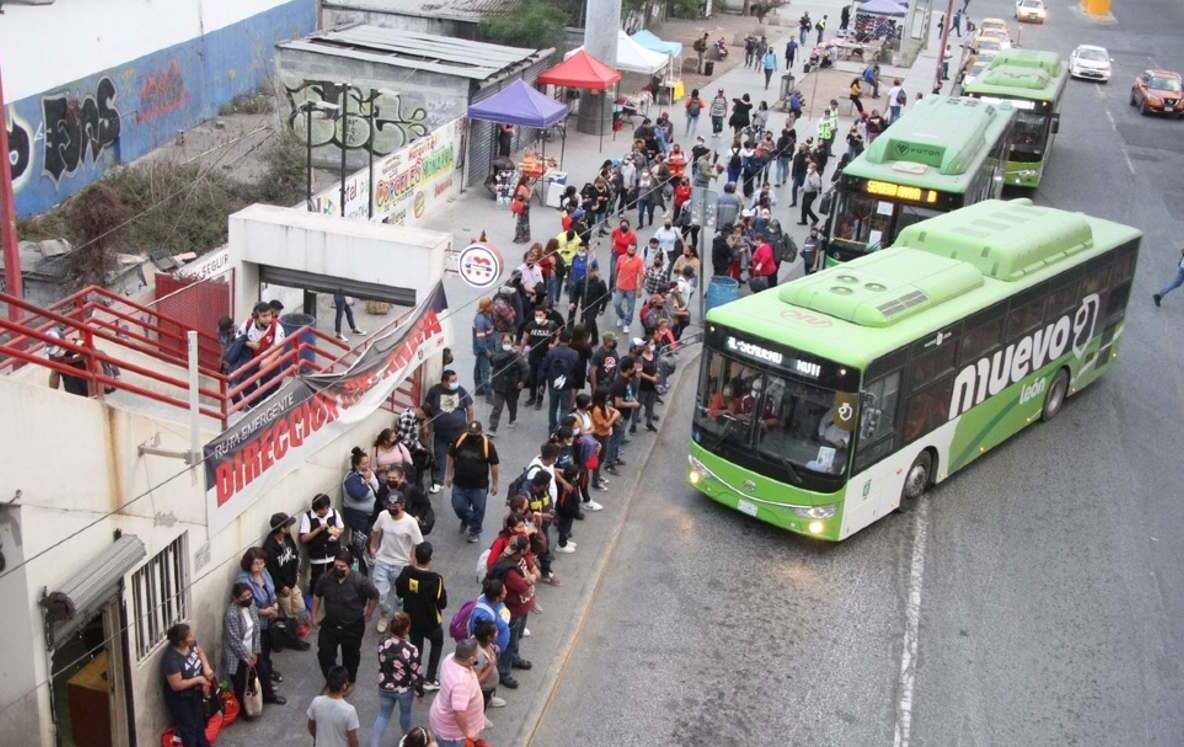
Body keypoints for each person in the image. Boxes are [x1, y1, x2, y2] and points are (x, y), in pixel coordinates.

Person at [312, 550, 380, 690]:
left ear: (350, 566)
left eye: (342, 566)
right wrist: (314, 615)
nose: (338, 569)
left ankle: (349, 681)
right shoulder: (325, 578)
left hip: (352, 626)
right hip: (330, 624)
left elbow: (374, 596)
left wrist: (369, 614)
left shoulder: (360, 581)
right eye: (336, 565)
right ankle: (333, 680)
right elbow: (317, 595)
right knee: (325, 653)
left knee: (351, 656)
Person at [394, 541, 447, 692]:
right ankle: (430, 678)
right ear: (430, 559)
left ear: (415, 557)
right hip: (431, 622)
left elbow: (399, 592)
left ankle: (416, 678)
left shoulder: (406, 572)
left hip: (412, 621)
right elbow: (442, 603)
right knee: (437, 644)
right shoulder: (436, 580)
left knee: (416, 648)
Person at [369, 489, 424, 633]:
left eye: (396, 505)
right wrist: (373, 547)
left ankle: (398, 619)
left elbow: (417, 542)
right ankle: (385, 615)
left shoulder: (410, 522)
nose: (392, 508)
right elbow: (375, 530)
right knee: (380, 594)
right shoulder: (383, 516)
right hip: (382, 560)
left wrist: (412, 560)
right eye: (390, 505)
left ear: (403, 505)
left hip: (402, 564)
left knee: (400, 597)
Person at [224, 582, 283, 708]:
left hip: (252, 647)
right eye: (243, 597)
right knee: (240, 683)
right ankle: (243, 708)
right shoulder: (232, 614)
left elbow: (256, 629)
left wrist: (255, 652)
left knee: (263, 672)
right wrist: (246, 657)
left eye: (249, 595)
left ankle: (269, 696)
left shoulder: (251, 605)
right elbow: (234, 640)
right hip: (237, 654)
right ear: (235, 598)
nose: (247, 599)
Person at [369, 612, 422, 747]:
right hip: (404, 689)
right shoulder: (411, 649)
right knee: (405, 713)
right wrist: (419, 692)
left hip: (385, 685)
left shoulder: (382, 643)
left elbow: (382, 661)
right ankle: (406, 739)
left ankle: (373, 744)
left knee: (383, 715)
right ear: (407, 629)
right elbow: (416, 673)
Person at [489, 535, 535, 682]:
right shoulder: (509, 570)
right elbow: (524, 588)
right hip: (513, 611)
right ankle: (504, 672)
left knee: (517, 638)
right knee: (510, 641)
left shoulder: (516, 558)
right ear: (520, 551)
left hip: (521, 608)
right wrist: (531, 579)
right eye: (526, 550)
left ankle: (514, 658)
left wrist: (531, 578)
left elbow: (531, 572)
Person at [235, 547, 284, 687]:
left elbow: (271, 590)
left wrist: (274, 603)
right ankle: (264, 683)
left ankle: (269, 671)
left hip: (270, 618)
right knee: (259, 654)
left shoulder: (264, 572)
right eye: (256, 563)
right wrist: (264, 611)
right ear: (248, 563)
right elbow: (245, 605)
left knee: (267, 649)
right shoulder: (243, 580)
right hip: (256, 622)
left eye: (262, 563)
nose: (260, 566)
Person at [161, 623, 215, 747]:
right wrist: (198, 680)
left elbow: (200, 652)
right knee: (189, 728)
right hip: (181, 699)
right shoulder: (171, 660)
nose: (193, 637)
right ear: (181, 642)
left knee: (199, 722)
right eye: (189, 636)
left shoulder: (191, 644)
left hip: (195, 693)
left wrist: (206, 667)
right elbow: (176, 685)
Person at [421, 370, 475, 494]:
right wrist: (425, 425)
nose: (456, 382)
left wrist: (470, 427)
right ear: (444, 381)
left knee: (462, 455)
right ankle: (438, 482)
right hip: (441, 432)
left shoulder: (461, 390)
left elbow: (470, 409)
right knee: (439, 456)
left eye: (456, 379)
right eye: (452, 380)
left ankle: (462, 479)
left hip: (459, 431)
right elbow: (427, 410)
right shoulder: (434, 391)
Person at [447, 420, 500, 543]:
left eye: (475, 433)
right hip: (460, 483)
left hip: (479, 486)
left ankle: (474, 531)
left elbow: (494, 465)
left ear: (481, 432)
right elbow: (451, 456)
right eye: (470, 432)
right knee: (458, 506)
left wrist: (495, 484)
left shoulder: (488, 445)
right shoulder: (460, 440)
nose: (472, 435)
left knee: (479, 509)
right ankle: (470, 520)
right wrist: (449, 475)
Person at [428, 639, 486, 747]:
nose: (479, 657)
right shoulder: (461, 683)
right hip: (453, 736)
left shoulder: (450, 658)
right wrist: (469, 733)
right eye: (478, 655)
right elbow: (459, 713)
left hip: (441, 718)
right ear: (471, 659)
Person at [342, 447, 379, 573]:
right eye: (363, 463)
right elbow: (358, 494)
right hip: (357, 516)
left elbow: (376, 487)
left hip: (369, 515)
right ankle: (358, 565)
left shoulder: (368, 472)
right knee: (359, 541)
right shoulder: (351, 479)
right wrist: (366, 481)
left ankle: (368, 555)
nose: (367, 465)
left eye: (368, 462)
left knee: (368, 536)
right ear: (356, 465)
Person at [263, 512, 305, 623]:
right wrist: (281, 587)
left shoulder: (287, 537)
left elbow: (295, 554)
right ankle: (291, 633)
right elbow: (271, 572)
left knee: (300, 607)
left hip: (293, 582)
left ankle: (296, 627)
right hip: (282, 588)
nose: (290, 527)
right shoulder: (269, 547)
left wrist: (297, 572)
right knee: (288, 613)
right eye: (288, 525)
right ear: (282, 528)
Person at [308, 665, 360, 747]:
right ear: (344, 685)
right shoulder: (349, 711)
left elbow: (311, 727)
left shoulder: (316, 701)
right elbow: (353, 740)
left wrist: (318, 739)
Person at [300, 493, 343, 590]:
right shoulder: (307, 516)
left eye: (323, 510)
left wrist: (336, 533)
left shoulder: (334, 513)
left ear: (327, 507)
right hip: (317, 556)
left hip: (333, 554)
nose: (321, 513)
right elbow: (303, 538)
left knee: (334, 581)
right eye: (318, 511)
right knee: (316, 581)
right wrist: (318, 529)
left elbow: (341, 528)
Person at [488, 334, 527, 435]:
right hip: (499, 385)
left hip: (512, 386)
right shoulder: (497, 353)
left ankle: (512, 419)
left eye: (508, 342)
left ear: (512, 343)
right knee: (497, 407)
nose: (506, 344)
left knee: (512, 405)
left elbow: (525, 368)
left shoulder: (517, 355)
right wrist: (509, 353)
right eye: (504, 342)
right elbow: (494, 360)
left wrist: (522, 381)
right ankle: (492, 428)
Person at [543, 329, 581, 433]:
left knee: (552, 408)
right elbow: (577, 371)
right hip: (567, 386)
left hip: (553, 385)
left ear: (559, 339)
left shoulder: (551, 352)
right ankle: (560, 430)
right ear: (570, 340)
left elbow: (544, 368)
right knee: (565, 409)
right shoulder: (574, 354)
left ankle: (552, 428)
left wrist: (543, 382)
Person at [613, 241, 644, 334]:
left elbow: (641, 275)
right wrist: (614, 284)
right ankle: (622, 316)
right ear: (627, 249)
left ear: (635, 250)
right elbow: (616, 271)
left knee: (631, 307)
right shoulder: (621, 258)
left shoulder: (638, 260)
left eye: (632, 249)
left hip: (631, 288)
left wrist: (639, 289)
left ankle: (627, 323)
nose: (630, 251)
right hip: (620, 286)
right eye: (629, 249)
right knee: (616, 303)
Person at [471, 298, 496, 403]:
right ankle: (489, 396)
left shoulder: (486, 317)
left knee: (478, 369)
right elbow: (480, 338)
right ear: (487, 307)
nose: (493, 307)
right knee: (485, 372)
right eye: (491, 305)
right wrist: (486, 350)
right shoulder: (481, 320)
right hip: (484, 350)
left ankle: (479, 389)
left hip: (484, 348)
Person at [798, 161, 822, 226]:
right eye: (808, 167)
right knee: (803, 207)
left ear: (814, 169)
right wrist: (802, 188)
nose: (808, 169)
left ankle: (815, 219)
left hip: (812, 194)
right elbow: (806, 183)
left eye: (810, 168)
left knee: (806, 207)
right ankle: (804, 221)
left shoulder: (816, 176)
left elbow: (818, 185)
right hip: (806, 192)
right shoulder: (808, 174)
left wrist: (811, 182)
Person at [511, 175, 532, 243]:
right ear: (525, 181)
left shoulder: (519, 187)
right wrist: (531, 191)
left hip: (519, 207)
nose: (528, 183)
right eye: (528, 181)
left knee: (520, 221)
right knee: (524, 222)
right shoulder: (523, 188)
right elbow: (528, 198)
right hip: (523, 207)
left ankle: (518, 236)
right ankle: (522, 237)